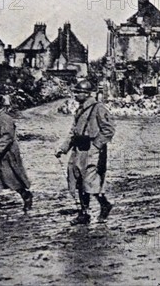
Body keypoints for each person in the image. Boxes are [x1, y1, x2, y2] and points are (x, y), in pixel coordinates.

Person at [56, 80, 116, 225]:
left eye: (78, 92)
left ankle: (104, 204)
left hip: (92, 151)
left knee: (90, 182)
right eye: (75, 92)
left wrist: (96, 145)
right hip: (79, 149)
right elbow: (74, 132)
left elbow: (109, 130)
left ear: (87, 93)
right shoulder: (80, 109)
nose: (75, 95)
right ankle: (84, 213)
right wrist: (63, 148)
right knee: (78, 180)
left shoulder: (98, 108)